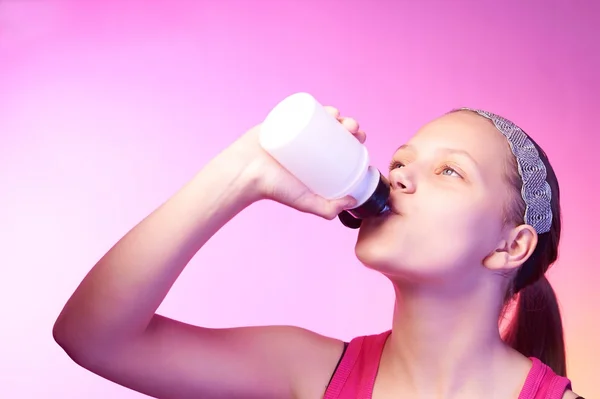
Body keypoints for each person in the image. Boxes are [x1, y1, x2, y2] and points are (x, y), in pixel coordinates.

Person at [53, 104, 584, 399]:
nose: (399, 175)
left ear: (510, 245)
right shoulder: (307, 373)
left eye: (450, 170)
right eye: (401, 161)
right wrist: (245, 169)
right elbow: (91, 337)